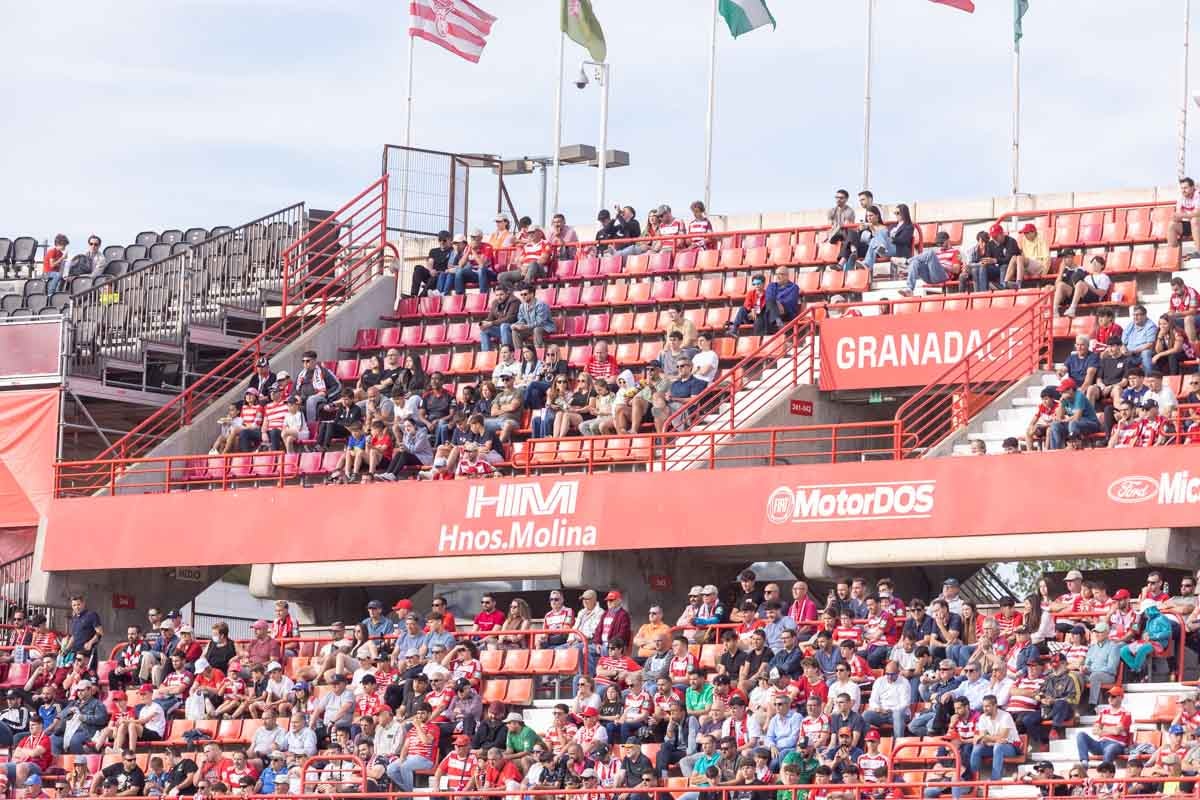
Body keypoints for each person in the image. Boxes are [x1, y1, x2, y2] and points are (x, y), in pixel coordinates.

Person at [1075, 685, 1129, 764]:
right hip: (1101, 743)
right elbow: (1095, 730)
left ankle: (1104, 770)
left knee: (1111, 748)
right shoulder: (1103, 712)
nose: (1110, 698)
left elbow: (1116, 731)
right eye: (1109, 696)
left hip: (1116, 744)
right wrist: (1112, 729)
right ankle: (1084, 762)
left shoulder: (1126, 714)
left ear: (1120, 698)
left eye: (1113, 696)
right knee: (1081, 735)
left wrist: (1102, 727)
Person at [1047, 377, 1100, 450]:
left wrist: (1065, 420)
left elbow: (1077, 417)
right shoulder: (1065, 399)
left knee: (1073, 423)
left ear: (1071, 390)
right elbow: (1059, 418)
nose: (1061, 393)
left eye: (1063, 391)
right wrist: (1061, 404)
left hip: (1091, 423)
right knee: (1055, 425)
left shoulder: (1079, 396)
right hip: (1074, 424)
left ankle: (1073, 446)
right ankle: (1056, 451)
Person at [509, 285, 555, 351]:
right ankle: (518, 354)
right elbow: (521, 320)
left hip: (545, 327)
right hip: (530, 328)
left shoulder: (541, 305)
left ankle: (539, 352)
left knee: (537, 329)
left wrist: (526, 326)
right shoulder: (522, 306)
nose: (523, 296)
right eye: (521, 295)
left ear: (532, 294)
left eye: (525, 294)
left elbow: (540, 322)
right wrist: (516, 325)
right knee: (515, 331)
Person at [453, 230, 497, 295]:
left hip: (488, 273)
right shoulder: (468, 247)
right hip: (475, 273)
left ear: (481, 238)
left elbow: (482, 265)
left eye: (475, 237)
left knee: (481, 270)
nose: (473, 239)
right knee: (459, 271)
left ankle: (483, 295)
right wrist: (468, 252)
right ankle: (460, 296)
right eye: (471, 237)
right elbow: (460, 265)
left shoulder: (487, 247)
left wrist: (473, 251)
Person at [1005, 223, 1049, 288]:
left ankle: (1019, 283)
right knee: (1014, 257)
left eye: (1027, 233)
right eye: (1024, 233)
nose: (1025, 235)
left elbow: (1047, 258)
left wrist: (1045, 272)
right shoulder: (1024, 240)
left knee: (1019, 258)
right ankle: (1005, 283)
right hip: (1028, 265)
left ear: (1033, 232)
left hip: (1040, 265)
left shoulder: (1041, 239)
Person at [412, 230, 452, 297]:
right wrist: (431, 271)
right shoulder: (433, 251)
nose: (442, 242)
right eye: (440, 240)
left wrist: (438, 272)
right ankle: (414, 295)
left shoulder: (452, 251)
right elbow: (430, 262)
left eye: (444, 240)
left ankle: (421, 297)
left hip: (441, 277)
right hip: (431, 274)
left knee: (434, 278)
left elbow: (451, 267)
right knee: (418, 268)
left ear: (449, 240)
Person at [761, 267, 800, 334]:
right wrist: (777, 303)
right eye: (776, 274)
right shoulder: (771, 286)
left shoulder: (794, 287)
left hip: (787, 312)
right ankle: (777, 322)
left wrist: (780, 304)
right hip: (773, 310)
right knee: (760, 318)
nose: (778, 276)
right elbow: (769, 297)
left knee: (766, 314)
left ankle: (770, 335)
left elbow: (790, 301)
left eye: (781, 274)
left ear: (787, 276)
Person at [1122, 304, 1158, 374]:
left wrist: (1133, 351)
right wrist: (1124, 349)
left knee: (1146, 353)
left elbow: (1150, 344)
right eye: (1134, 315)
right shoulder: (1131, 325)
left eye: (1138, 315)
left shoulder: (1150, 326)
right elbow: (1124, 342)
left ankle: (1148, 377)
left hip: (1142, 352)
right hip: (1130, 352)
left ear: (1145, 315)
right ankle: (1123, 380)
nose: (1135, 317)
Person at [1168, 176, 1200, 254]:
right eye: (1182, 188)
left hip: (1197, 223)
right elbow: (1179, 215)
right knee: (1172, 225)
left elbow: (1198, 213)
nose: (1183, 190)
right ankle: (1174, 256)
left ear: (1192, 187)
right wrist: (1175, 218)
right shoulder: (1180, 198)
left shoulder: (1198, 195)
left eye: (1185, 188)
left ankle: (1199, 251)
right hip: (1189, 224)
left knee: (1194, 220)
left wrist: (1182, 216)